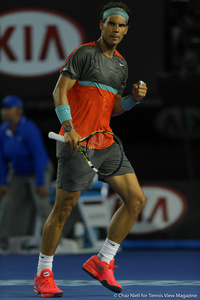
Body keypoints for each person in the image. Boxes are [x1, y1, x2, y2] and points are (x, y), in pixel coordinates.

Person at [34, 2, 148, 298]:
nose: (116, 30)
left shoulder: (121, 65)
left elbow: (113, 109)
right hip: (77, 143)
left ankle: (103, 260)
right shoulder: (84, 54)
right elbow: (59, 90)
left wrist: (133, 99)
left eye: (121, 26)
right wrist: (69, 127)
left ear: (126, 30)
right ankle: (43, 273)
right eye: (111, 23)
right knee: (63, 210)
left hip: (106, 143)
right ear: (102, 25)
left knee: (135, 200)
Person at [0, 95, 53, 251]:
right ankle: (2, 242)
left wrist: (40, 183)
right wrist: (3, 182)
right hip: (18, 172)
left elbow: (38, 157)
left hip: (39, 170)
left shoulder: (30, 129)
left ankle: (51, 243)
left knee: (42, 204)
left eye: (8, 108)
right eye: (3, 109)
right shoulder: (3, 130)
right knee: (6, 204)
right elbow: (1, 159)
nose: (5, 112)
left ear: (18, 111)